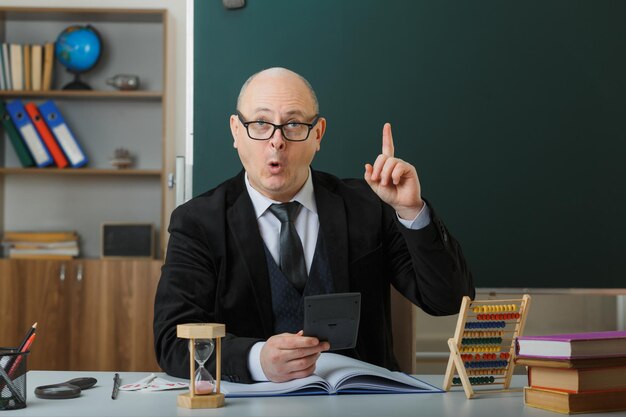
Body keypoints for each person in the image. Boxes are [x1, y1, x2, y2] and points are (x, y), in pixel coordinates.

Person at [154, 67, 474, 384]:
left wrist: (411, 210)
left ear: (318, 134)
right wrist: (257, 360)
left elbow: (448, 300)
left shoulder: (369, 206)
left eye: (293, 124)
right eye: (261, 124)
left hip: (362, 403)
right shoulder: (197, 222)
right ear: (236, 131)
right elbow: (172, 342)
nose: (277, 141)